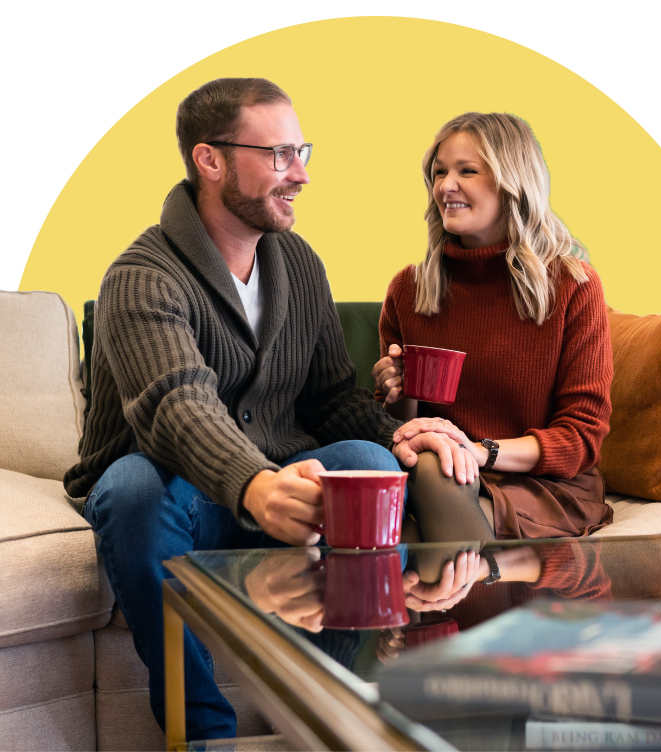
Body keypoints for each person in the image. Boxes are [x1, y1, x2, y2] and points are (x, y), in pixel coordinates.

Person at [63, 77, 469, 742]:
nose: (301, 174)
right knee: (130, 488)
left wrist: (402, 434)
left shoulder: (300, 264)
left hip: (282, 488)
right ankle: (203, 732)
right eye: (278, 155)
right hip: (179, 497)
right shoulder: (141, 275)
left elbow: (332, 398)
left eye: (301, 151)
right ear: (210, 160)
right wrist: (255, 486)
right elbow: (177, 404)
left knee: (366, 462)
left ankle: (319, 708)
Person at [372, 111, 614, 585]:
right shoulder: (409, 288)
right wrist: (397, 398)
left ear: (512, 184)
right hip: (441, 475)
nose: (446, 185)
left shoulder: (572, 286)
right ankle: (470, 626)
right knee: (429, 468)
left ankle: (447, 636)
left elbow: (582, 437)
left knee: (432, 482)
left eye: (467, 170)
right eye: (439, 172)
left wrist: (480, 452)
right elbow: (398, 434)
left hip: (543, 483)